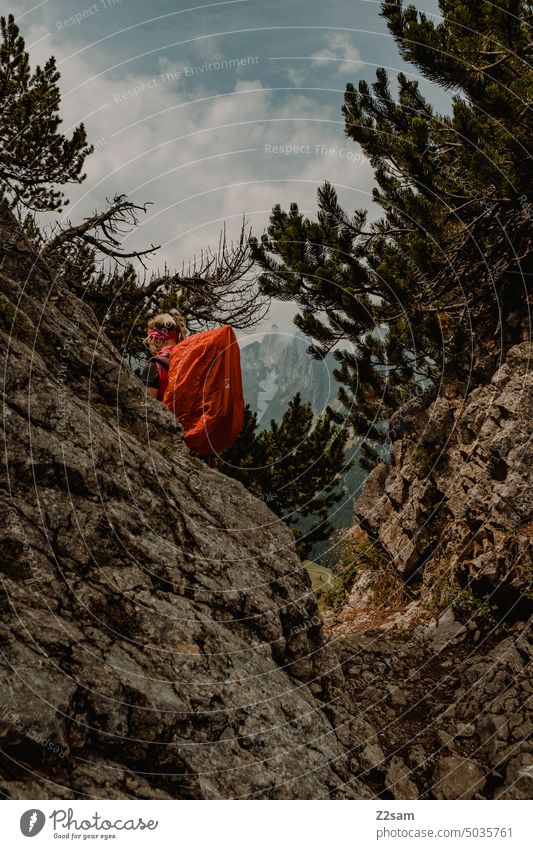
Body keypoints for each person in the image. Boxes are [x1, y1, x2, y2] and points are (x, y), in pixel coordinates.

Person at [140, 309, 188, 400]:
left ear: (156, 338)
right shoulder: (188, 359)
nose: (149, 342)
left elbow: (147, 407)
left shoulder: (153, 366)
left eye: (150, 337)